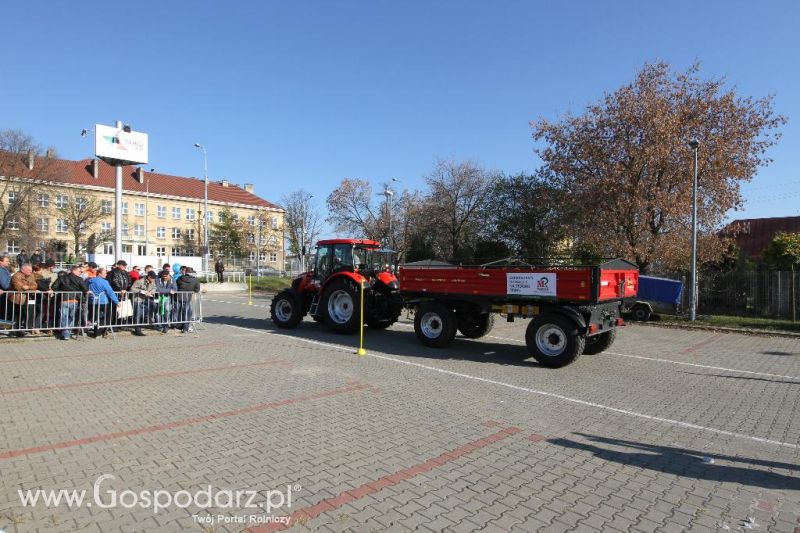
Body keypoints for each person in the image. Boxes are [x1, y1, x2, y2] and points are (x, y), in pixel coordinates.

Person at [51, 265, 88, 340]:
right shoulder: (79, 279)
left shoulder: (61, 278)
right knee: (71, 317)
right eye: (79, 271)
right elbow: (85, 289)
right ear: (73, 271)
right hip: (74, 300)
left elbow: (54, 287)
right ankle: (68, 332)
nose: (80, 273)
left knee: (64, 317)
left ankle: (66, 333)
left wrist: (62, 291)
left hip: (64, 299)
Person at [87, 268, 120, 338]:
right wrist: (116, 301)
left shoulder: (90, 281)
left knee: (95, 317)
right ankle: (101, 332)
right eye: (104, 273)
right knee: (105, 317)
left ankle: (96, 332)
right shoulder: (104, 282)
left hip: (92, 301)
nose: (106, 274)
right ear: (99, 273)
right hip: (103, 302)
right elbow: (110, 292)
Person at [10, 263, 39, 336]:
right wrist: (31, 289)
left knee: (24, 315)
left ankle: (21, 330)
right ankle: (14, 331)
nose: (31, 271)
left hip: (28, 298)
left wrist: (28, 287)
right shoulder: (16, 276)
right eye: (29, 270)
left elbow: (35, 286)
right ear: (23, 270)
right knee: (16, 315)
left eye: (31, 270)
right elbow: (18, 288)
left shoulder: (31, 275)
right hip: (17, 298)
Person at [131, 271, 157, 336]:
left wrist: (151, 292)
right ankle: (137, 330)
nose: (154, 279)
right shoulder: (139, 281)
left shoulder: (152, 282)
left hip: (146, 299)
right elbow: (132, 289)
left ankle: (148, 318)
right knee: (138, 315)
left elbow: (154, 288)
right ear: (149, 277)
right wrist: (141, 291)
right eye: (153, 278)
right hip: (138, 299)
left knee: (153, 305)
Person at [176, 267, 201, 333]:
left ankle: (179, 326)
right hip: (188, 298)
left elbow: (177, 286)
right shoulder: (195, 280)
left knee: (179, 312)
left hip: (178, 297)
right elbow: (197, 289)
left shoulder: (180, 278)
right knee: (187, 313)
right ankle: (185, 328)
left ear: (186, 272)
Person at [0, 255, 12, 326]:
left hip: (3, 294)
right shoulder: (1, 270)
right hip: (2, 294)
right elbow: (5, 285)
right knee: (2, 312)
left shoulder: (4, 270)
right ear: (0, 262)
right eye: (6, 261)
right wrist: (10, 278)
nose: (8, 263)